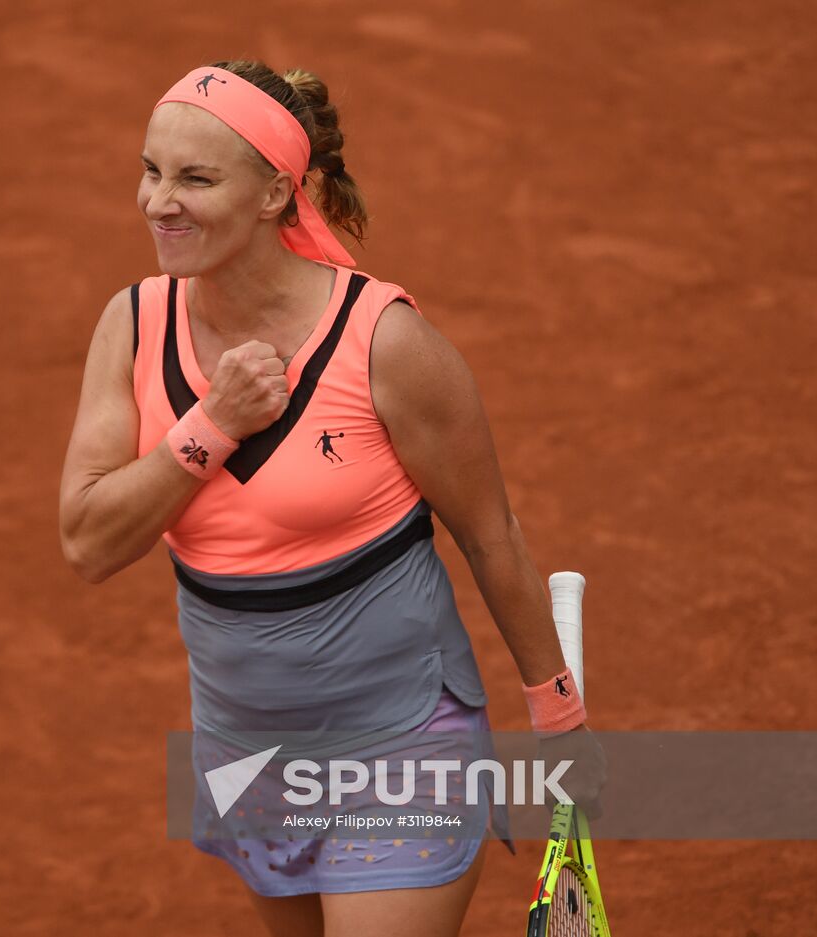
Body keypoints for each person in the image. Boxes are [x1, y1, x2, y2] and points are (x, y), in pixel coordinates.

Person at [58, 60, 605, 937]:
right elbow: (88, 539)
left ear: (277, 191)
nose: (160, 200)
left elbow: (490, 532)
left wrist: (560, 716)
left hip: (401, 742)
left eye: (196, 178)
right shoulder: (132, 325)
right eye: (152, 170)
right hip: (248, 756)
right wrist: (212, 424)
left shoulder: (385, 342)